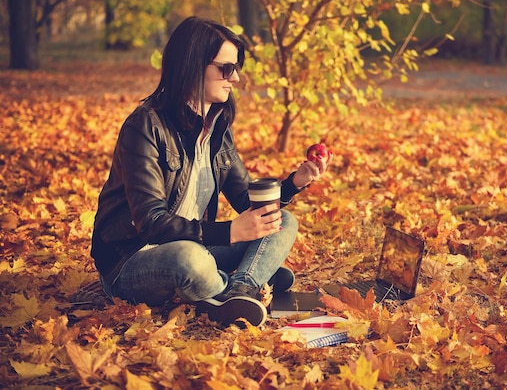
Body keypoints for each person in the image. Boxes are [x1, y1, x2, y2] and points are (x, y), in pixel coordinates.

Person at [90, 16, 329, 328]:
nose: (236, 78)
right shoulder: (145, 125)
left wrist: (296, 182)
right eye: (226, 68)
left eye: (236, 68)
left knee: (282, 221)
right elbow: (150, 223)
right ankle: (246, 281)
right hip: (132, 260)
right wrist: (230, 233)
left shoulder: (216, 126)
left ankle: (241, 289)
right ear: (193, 65)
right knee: (188, 259)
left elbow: (247, 200)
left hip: (196, 245)